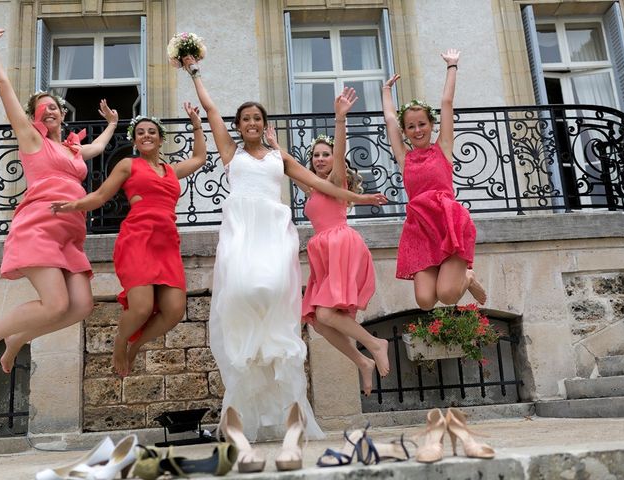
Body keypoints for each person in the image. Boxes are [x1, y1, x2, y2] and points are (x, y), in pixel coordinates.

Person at [184, 57, 387, 442]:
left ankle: (278, 367)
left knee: (275, 291)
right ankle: (247, 366)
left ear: (264, 124)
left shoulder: (282, 158)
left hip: (275, 234)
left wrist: (359, 200)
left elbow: (324, 185)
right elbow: (211, 109)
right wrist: (194, 72)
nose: (252, 123)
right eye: (245, 118)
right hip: (243, 231)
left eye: (257, 118)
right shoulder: (232, 153)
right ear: (239, 126)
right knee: (245, 291)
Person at [0, 28, 119, 373]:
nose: (49, 112)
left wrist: (112, 124)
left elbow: (99, 148)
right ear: (34, 116)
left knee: (80, 306)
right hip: (40, 228)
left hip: (70, 235)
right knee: (56, 304)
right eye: (41, 109)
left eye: (54, 108)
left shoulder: (72, 149)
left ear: (62, 114)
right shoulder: (32, 140)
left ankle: (18, 339)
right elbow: (3, 86)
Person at [51, 104, 207, 376]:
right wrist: (73, 205)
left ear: (160, 138)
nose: (146, 136)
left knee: (174, 310)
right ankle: (121, 342)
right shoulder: (128, 165)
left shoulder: (171, 171)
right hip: (138, 239)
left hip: (167, 243)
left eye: (152, 132)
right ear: (134, 139)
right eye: (140, 132)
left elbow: (200, 158)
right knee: (142, 307)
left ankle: (137, 346)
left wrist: (196, 124)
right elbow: (100, 196)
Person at [266, 87, 389, 397]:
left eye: (326, 155)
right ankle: (362, 361)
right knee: (318, 320)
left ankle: (375, 344)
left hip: (341, 246)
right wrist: (275, 145)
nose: (321, 159)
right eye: (317, 155)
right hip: (323, 252)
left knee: (325, 314)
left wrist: (339, 119)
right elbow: (289, 167)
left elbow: (340, 149)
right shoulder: (313, 189)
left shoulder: (336, 181)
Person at [381, 49, 487, 311]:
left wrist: (452, 66)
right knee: (426, 301)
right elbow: (390, 120)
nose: (417, 130)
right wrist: (385, 91)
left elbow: (447, 103)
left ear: (431, 124)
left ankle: (467, 277)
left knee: (448, 295)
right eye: (411, 126)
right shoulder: (405, 158)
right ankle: (462, 276)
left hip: (448, 223)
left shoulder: (444, 148)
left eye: (422, 124)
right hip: (420, 229)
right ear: (405, 132)